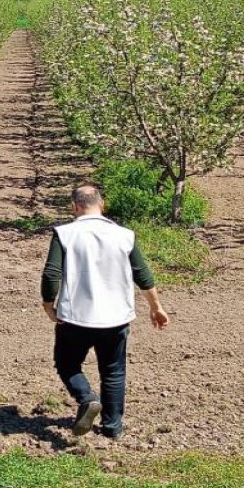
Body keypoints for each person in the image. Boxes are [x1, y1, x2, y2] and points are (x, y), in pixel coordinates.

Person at [40, 184, 170, 439]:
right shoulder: (125, 235)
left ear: (74, 207)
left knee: (67, 364)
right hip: (116, 317)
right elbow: (142, 274)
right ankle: (112, 428)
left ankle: (87, 398)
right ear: (103, 205)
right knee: (113, 372)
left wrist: (48, 304)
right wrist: (156, 307)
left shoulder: (65, 234)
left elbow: (51, 273)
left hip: (76, 317)